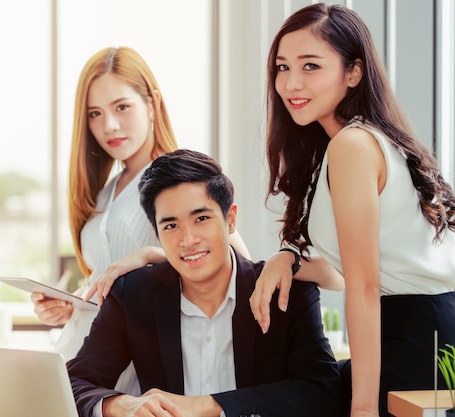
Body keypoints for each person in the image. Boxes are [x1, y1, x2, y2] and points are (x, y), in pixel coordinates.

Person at [249, 4, 455, 416]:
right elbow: (341, 273)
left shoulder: (352, 146)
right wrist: (287, 258)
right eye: (282, 67)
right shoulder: (353, 142)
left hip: (414, 338)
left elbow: (363, 287)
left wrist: (363, 408)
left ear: (353, 72)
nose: (290, 83)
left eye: (310, 66)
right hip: (423, 330)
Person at [30, 47, 251, 394]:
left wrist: (151, 254)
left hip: (135, 370)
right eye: (95, 113)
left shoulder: (176, 186)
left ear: (152, 104)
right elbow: (110, 277)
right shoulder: (106, 192)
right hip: (84, 365)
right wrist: (72, 301)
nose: (110, 126)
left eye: (122, 107)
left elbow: (238, 262)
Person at [67, 149, 340, 417]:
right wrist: (122, 405)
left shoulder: (285, 292)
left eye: (201, 218)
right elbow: (74, 383)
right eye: (171, 226)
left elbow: (321, 392)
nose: (188, 240)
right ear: (157, 233)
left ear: (230, 219)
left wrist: (208, 405)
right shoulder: (132, 295)